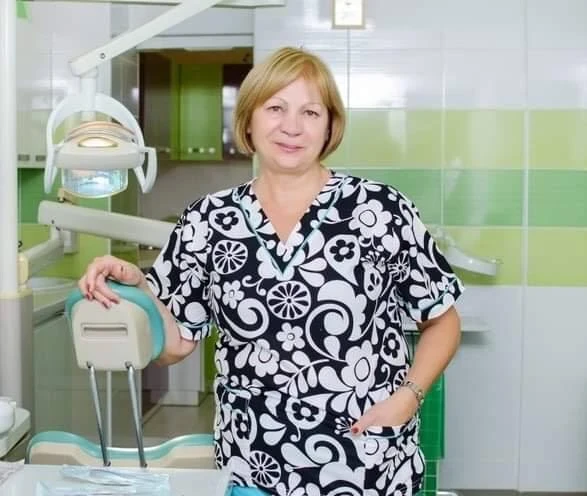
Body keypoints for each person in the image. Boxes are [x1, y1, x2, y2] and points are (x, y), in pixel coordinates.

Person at [78, 46, 464, 496]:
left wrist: (409, 397)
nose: (292, 127)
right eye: (275, 108)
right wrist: (140, 286)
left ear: (330, 126)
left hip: (367, 462)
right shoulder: (208, 219)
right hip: (252, 463)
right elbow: (175, 343)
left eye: (310, 112)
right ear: (248, 120)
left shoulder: (379, 210)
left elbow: (443, 319)